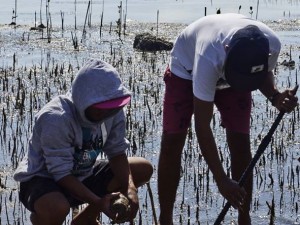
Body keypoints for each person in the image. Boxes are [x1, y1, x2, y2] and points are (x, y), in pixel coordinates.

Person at [157, 13, 298, 225]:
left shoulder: (271, 44)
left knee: (240, 143)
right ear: (226, 52)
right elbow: (202, 126)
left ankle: (244, 218)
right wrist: (221, 179)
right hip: (186, 71)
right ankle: (165, 219)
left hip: (234, 74)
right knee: (172, 142)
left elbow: (261, 73)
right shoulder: (208, 55)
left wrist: (275, 97)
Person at [13, 59, 153, 225]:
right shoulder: (56, 118)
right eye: (101, 108)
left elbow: (116, 152)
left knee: (142, 168)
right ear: (84, 100)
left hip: (82, 172)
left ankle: (84, 220)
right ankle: (42, 218)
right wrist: (99, 202)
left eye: (112, 107)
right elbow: (60, 172)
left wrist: (130, 188)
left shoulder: (113, 112)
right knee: (56, 208)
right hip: (43, 178)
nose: (107, 113)